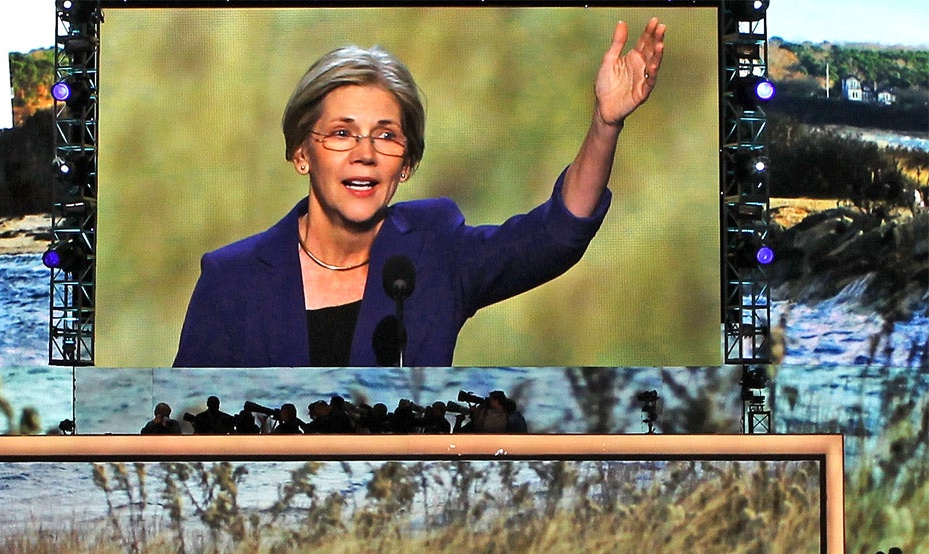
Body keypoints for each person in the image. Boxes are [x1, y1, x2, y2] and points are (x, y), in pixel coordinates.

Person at [174, 19, 666, 367]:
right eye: (342, 133)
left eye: (386, 135)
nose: (365, 152)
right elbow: (182, 432)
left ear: (406, 164)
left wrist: (605, 124)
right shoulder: (232, 279)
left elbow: (554, 236)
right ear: (303, 153)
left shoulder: (434, 249)